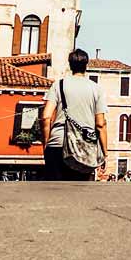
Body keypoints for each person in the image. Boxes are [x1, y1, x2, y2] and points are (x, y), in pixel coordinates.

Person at [41, 48, 108, 181]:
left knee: (53, 194)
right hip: (84, 147)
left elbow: (45, 117)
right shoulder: (96, 89)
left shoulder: (58, 85)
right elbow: (100, 124)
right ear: (86, 65)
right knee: (79, 196)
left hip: (57, 144)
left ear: (70, 65)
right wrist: (105, 153)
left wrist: (46, 145)